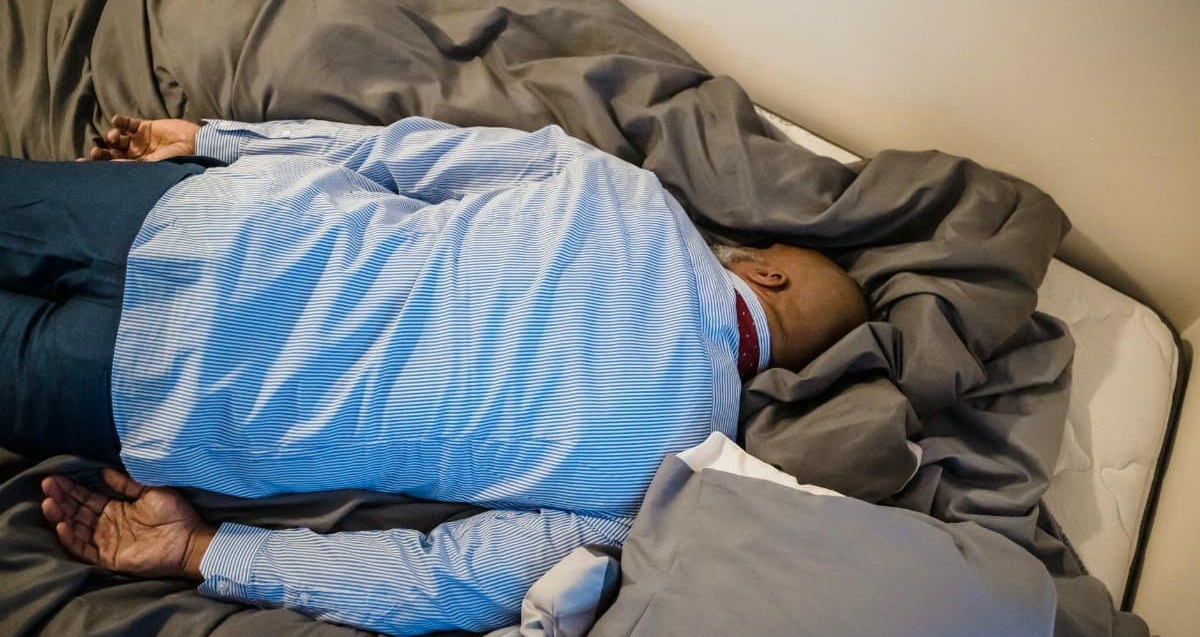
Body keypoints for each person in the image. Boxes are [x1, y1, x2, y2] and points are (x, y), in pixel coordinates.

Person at [5, 114, 868, 635]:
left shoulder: (631, 194)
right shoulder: (658, 480)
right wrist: (201, 550)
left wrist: (212, 138)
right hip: (165, 396)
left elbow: (398, 153)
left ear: (767, 272)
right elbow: (438, 579)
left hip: (203, 222)